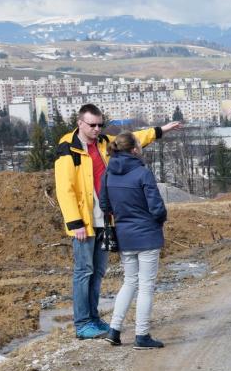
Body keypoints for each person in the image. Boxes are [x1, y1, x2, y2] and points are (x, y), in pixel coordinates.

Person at [53, 104, 180, 339]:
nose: (97, 129)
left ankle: (94, 318)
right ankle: (82, 324)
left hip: (106, 219)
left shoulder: (103, 142)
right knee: (84, 271)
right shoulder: (68, 149)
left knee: (98, 271)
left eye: (100, 124)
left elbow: (131, 140)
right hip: (84, 222)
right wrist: (75, 222)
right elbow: (65, 189)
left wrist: (161, 130)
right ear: (80, 123)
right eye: (92, 125)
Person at [98, 133, 167, 349]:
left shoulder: (108, 173)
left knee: (129, 282)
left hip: (124, 236)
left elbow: (104, 205)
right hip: (146, 235)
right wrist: (159, 220)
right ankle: (142, 335)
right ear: (134, 149)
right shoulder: (142, 173)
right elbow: (156, 207)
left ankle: (114, 330)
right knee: (146, 286)